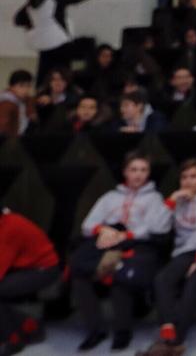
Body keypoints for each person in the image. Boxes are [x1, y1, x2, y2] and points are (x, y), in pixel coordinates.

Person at [71, 152, 172, 352]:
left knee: (121, 276)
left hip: (138, 244)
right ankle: (95, 329)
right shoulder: (110, 197)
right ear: (125, 172)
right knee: (79, 275)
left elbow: (157, 228)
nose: (139, 175)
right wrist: (104, 230)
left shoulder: (154, 198)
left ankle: (122, 331)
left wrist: (126, 235)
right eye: (134, 170)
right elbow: (87, 225)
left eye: (144, 170)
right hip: (108, 242)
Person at [142, 159, 196, 355]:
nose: (188, 181)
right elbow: (155, 227)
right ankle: (167, 328)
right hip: (186, 250)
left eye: (193, 176)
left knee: (194, 280)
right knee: (162, 279)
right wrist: (171, 201)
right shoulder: (178, 199)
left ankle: (176, 340)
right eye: (184, 177)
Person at [25, 0, 117, 84]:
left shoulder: (30, 0)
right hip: (58, 40)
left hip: (43, 43)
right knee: (65, 72)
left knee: (45, 73)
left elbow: (19, 19)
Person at [0, 208, 59, 355]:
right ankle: (28, 325)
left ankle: (13, 339)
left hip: (43, 270)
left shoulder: (10, 228)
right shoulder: (5, 221)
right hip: (25, 266)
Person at [0, 70, 34, 138]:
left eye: (28, 86)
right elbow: (3, 129)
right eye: (21, 86)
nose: (25, 89)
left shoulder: (24, 100)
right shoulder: (6, 103)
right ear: (11, 87)